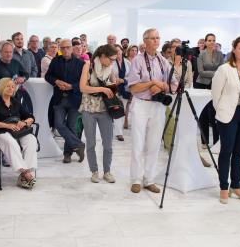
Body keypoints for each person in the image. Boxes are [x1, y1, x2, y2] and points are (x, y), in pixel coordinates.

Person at [127, 28, 174, 194]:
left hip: (158, 105)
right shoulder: (137, 61)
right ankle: (136, 179)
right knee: (138, 143)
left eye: (158, 38)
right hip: (141, 104)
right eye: (152, 38)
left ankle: (149, 179)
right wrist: (151, 83)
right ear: (145, 41)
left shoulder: (163, 61)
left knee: (154, 144)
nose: (156, 41)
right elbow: (133, 88)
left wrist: (162, 87)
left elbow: (173, 84)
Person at [211, 37, 240, 204]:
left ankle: (236, 186)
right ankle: (224, 187)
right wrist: (222, 110)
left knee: (239, 153)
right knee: (226, 151)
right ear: (234, 50)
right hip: (227, 115)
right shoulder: (224, 69)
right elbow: (215, 94)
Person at [0, 78, 37, 189]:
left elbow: (31, 117)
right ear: (1, 87)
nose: (10, 88)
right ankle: (25, 173)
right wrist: (7, 125)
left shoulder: (16, 102)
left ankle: (25, 176)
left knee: (31, 140)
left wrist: (24, 122)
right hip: (1, 132)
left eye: (12, 86)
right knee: (10, 142)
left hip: (18, 131)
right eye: (7, 86)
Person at [79, 45, 119, 183]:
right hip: (88, 109)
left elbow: (114, 86)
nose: (112, 62)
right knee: (91, 143)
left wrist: (113, 87)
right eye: (111, 59)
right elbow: (82, 87)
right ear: (102, 56)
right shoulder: (88, 66)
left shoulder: (110, 69)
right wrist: (102, 88)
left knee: (108, 144)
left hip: (105, 109)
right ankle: (94, 171)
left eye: (114, 60)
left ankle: (107, 172)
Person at [45, 39, 86, 163]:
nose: (65, 50)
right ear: (59, 49)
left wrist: (71, 86)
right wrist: (56, 81)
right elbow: (48, 76)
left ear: (72, 48)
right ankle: (79, 144)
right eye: (62, 48)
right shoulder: (55, 61)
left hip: (75, 99)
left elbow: (84, 83)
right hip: (59, 98)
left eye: (67, 47)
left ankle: (67, 154)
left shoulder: (81, 63)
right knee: (58, 124)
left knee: (72, 127)